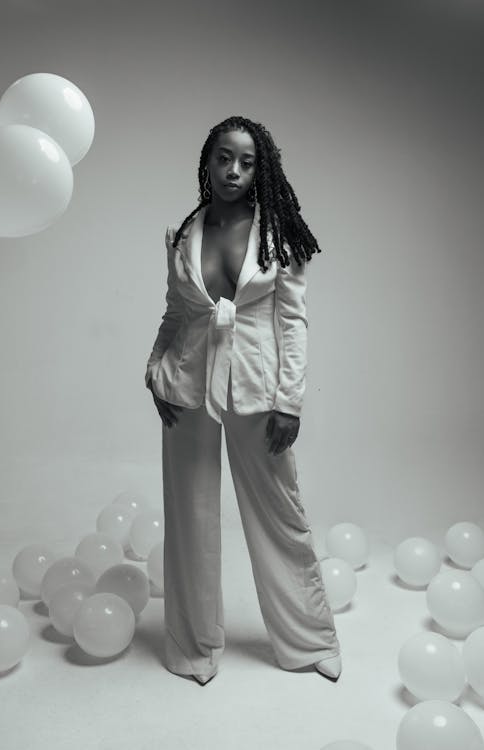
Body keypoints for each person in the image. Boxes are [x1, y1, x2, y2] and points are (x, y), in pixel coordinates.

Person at [145, 116, 341, 686]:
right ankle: (192, 646)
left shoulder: (279, 234)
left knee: (281, 514)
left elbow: (293, 322)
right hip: (185, 389)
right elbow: (177, 311)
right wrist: (155, 370)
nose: (234, 170)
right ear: (206, 161)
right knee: (190, 518)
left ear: (261, 170)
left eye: (248, 161)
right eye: (224, 157)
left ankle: (307, 641)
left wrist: (291, 402)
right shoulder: (184, 234)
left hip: (258, 389)